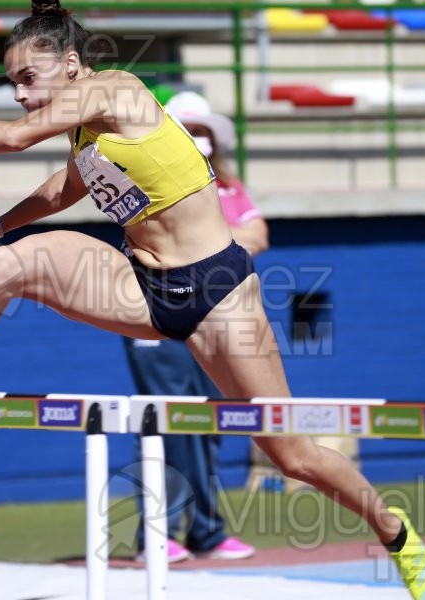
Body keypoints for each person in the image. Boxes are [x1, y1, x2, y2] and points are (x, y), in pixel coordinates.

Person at [0, 2, 425, 597]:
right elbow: (62, 189)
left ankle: (398, 535)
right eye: (13, 85)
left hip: (219, 292)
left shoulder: (115, 89)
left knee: (295, 454)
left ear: (69, 62)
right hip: (143, 288)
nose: (22, 94)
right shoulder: (87, 132)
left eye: (28, 78)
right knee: (7, 265)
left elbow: (14, 136)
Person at [126, 91, 264, 563]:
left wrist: (204, 245)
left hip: (216, 316)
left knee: (209, 424)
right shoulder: (147, 177)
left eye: (203, 130)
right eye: (189, 128)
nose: (197, 138)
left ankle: (206, 531)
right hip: (157, 316)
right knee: (166, 424)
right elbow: (163, 245)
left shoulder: (227, 185)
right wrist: (214, 245)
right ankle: (154, 536)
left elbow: (258, 236)